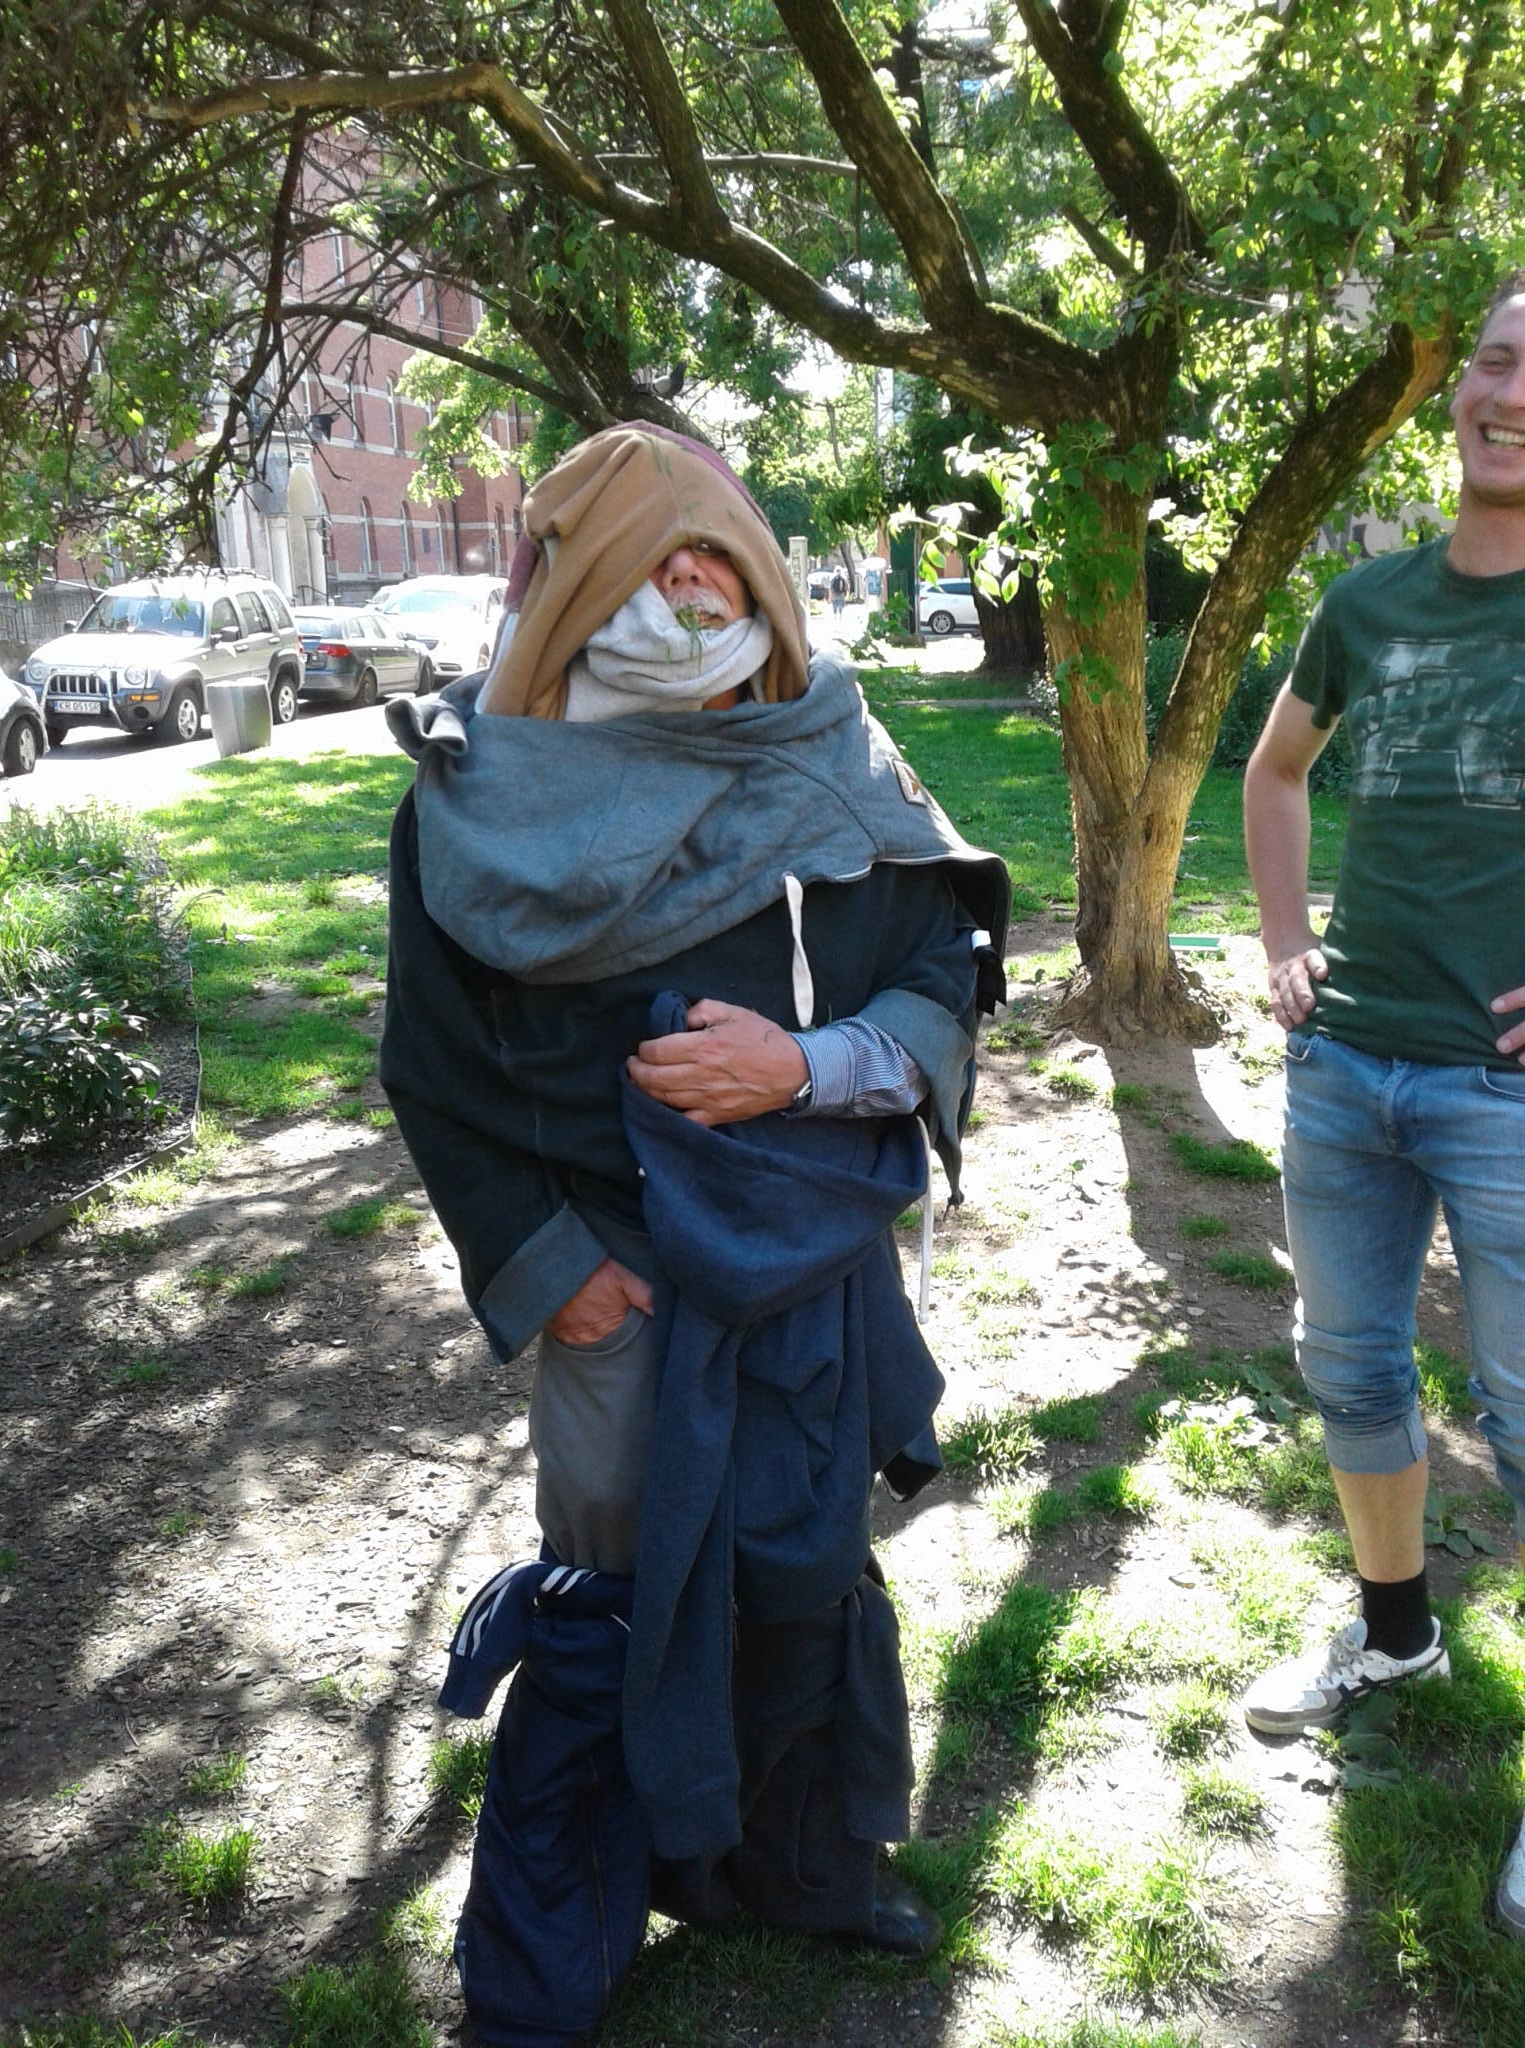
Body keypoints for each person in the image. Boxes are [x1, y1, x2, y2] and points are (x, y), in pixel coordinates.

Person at [380, 421, 1009, 2047]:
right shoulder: (478, 799)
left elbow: (941, 969)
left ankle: (793, 1870)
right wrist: (550, 1273)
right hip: (615, 1276)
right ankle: (551, 1964)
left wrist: (806, 1066)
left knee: (803, 1572)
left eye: (714, 559)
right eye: (647, 565)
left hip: (808, 1276)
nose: (688, 594)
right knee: (614, 1595)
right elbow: (436, 1069)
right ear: (573, 588)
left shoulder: (830, 754)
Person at [1241, 274, 1525, 1938]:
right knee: (1350, 1369)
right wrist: (1285, 944)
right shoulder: (1369, 602)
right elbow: (1276, 769)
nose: (1512, 393)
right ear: (1460, 385)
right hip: (1348, 1068)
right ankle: (1398, 1632)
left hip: (1509, 1095)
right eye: (1496, 360)